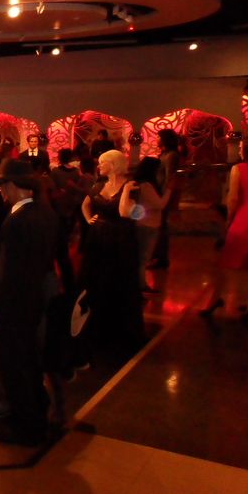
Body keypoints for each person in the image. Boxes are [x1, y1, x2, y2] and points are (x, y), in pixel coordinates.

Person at [0, 159, 60, 446]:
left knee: (14, 365)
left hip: (14, 305)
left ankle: (25, 427)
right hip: (34, 299)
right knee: (30, 360)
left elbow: (7, 272)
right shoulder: (45, 212)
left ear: (14, 186)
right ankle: (37, 411)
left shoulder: (17, 220)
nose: (1, 191)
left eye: (3, 185)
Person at [80, 149, 145, 355]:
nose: (99, 166)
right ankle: (98, 327)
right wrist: (88, 219)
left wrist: (125, 192)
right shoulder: (98, 185)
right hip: (99, 237)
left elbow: (125, 212)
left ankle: (118, 331)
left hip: (121, 239)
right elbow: (85, 204)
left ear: (113, 164)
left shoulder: (131, 185)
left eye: (103, 162)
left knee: (118, 280)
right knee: (98, 280)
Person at [201, 135, 248, 318]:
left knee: (225, 263)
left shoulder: (238, 169)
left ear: (247, 150)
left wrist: (228, 219)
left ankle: (216, 298)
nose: (239, 149)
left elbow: (232, 198)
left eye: (241, 146)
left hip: (245, 219)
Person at [119, 157, 170, 293]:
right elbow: (160, 204)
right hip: (146, 225)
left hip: (146, 223)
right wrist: (170, 190)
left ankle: (138, 284)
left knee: (142, 256)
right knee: (143, 257)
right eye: (159, 170)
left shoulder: (144, 185)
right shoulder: (145, 186)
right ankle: (140, 285)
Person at [150, 129, 182, 270]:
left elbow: (170, 177)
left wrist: (165, 195)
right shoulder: (164, 154)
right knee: (158, 225)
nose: (156, 139)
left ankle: (161, 258)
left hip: (162, 194)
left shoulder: (171, 156)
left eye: (158, 137)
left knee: (161, 227)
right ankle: (157, 256)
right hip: (158, 193)